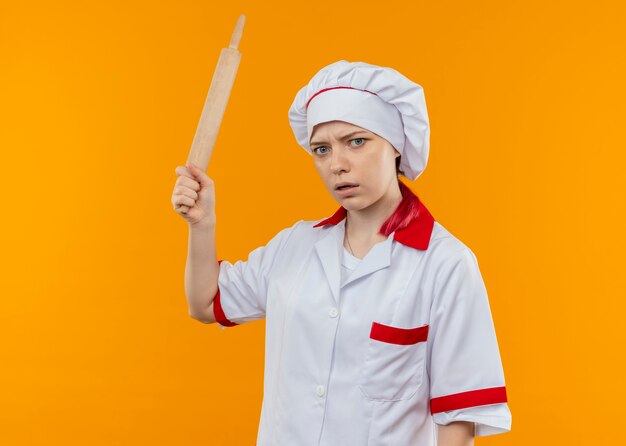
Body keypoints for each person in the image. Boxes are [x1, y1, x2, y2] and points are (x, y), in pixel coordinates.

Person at [171, 60, 512, 446]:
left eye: (356, 141)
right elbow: (205, 302)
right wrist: (202, 224)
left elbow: (458, 420)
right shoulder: (295, 246)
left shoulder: (445, 264)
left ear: (395, 146)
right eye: (321, 149)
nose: (337, 164)